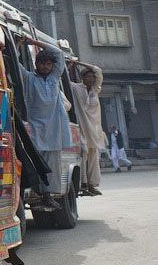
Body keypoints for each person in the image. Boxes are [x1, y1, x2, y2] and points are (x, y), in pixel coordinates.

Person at [18, 44, 72, 210]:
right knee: (36, 163)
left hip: (54, 129)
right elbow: (14, 62)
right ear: (36, 64)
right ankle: (40, 195)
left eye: (49, 64)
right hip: (36, 129)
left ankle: (48, 196)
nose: (45, 67)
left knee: (51, 165)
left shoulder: (55, 77)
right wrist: (19, 45)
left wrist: (35, 41)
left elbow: (59, 54)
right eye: (42, 63)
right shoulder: (29, 78)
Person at [68, 65, 107, 195]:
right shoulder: (76, 88)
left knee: (93, 155)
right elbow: (63, 78)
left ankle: (92, 184)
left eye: (92, 77)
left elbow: (99, 71)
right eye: (88, 76)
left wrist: (80, 62)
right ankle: (83, 184)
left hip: (95, 129)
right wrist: (69, 66)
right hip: (83, 127)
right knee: (83, 153)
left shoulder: (95, 90)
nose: (91, 79)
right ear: (82, 78)